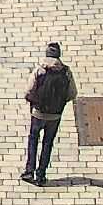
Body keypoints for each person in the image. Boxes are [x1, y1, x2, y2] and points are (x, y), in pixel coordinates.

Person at [23, 43, 78, 186]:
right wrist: (59, 102)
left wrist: (34, 102)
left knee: (33, 139)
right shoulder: (66, 71)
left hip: (38, 113)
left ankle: (29, 171)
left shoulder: (39, 70)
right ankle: (41, 175)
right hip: (55, 116)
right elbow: (72, 93)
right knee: (48, 143)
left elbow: (28, 91)